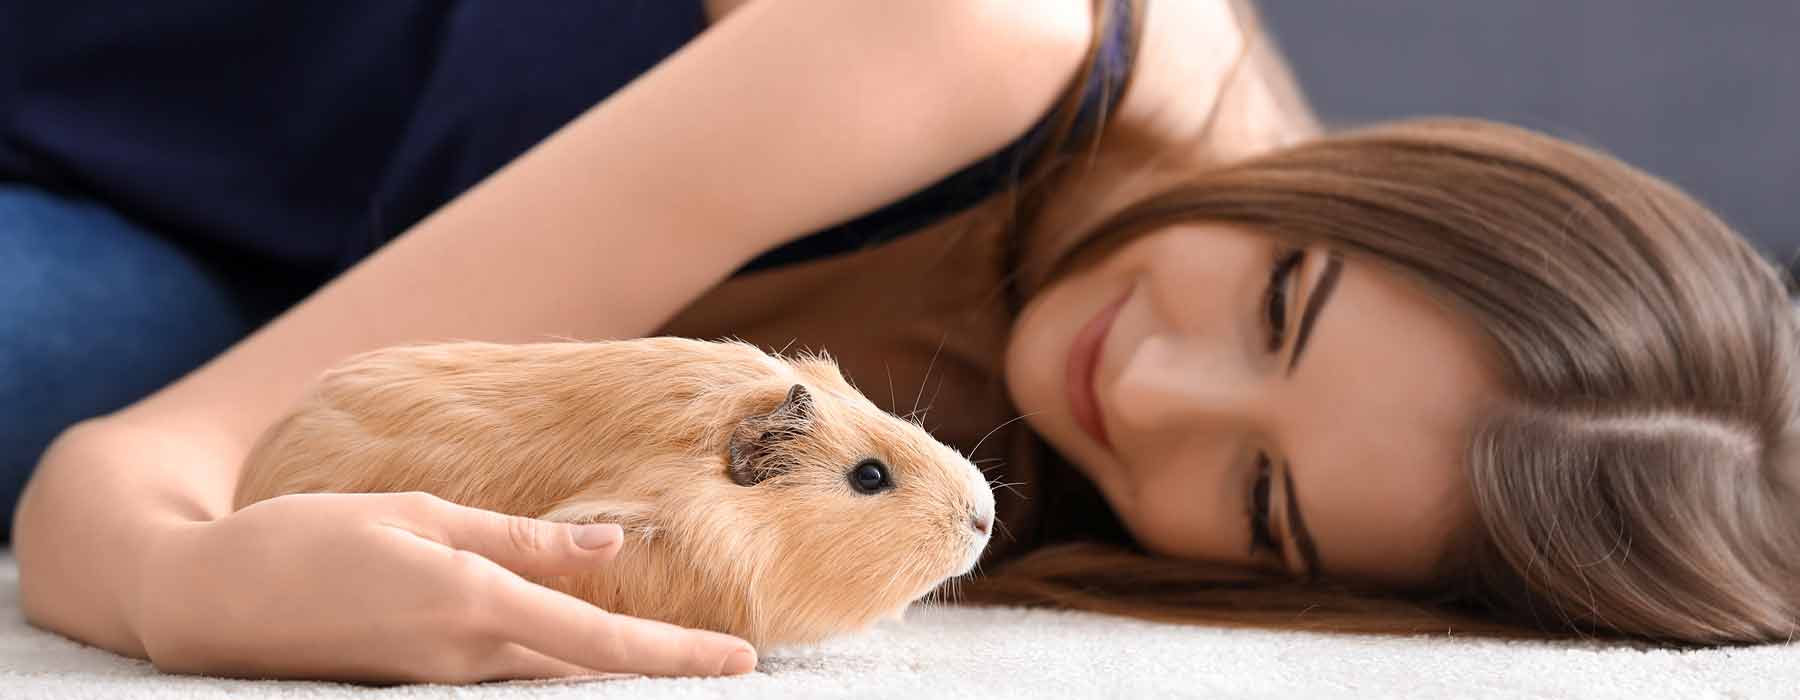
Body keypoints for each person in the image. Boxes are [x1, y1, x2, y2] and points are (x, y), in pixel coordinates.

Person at [5, 0, 1794, 684]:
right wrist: (194, 593)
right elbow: (132, 485)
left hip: (228, 255)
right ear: (1374, 188)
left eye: (1264, 504)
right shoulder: (986, 39)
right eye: (1278, 305)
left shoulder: (1007, 478)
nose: (1150, 395)